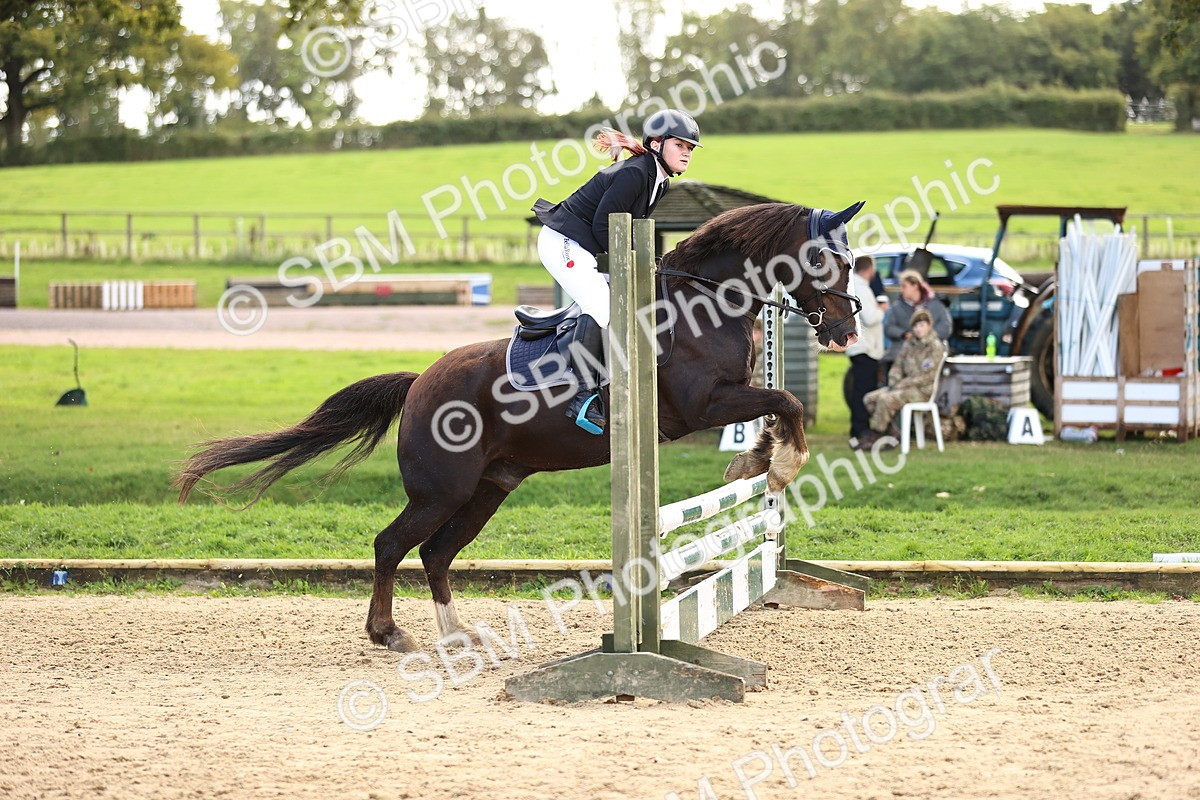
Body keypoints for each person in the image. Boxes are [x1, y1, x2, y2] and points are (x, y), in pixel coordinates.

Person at [531, 109, 701, 434]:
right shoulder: (636, 173)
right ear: (656, 143)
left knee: (628, 304)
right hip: (564, 241)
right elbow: (603, 225)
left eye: (690, 148)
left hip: (587, 245)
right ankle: (581, 396)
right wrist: (631, 265)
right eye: (680, 145)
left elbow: (624, 231)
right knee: (602, 306)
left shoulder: (658, 182)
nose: (686, 153)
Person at [862, 309, 947, 449]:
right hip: (902, 387)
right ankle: (891, 434)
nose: (918, 329)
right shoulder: (909, 344)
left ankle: (876, 435)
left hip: (922, 390)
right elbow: (898, 365)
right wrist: (894, 380)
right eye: (916, 326)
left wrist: (903, 384)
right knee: (870, 399)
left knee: (885, 400)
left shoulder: (935, 346)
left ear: (929, 326)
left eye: (922, 326)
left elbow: (928, 376)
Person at [845, 255, 886, 451]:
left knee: (859, 391)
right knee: (863, 393)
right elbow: (870, 317)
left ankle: (859, 430)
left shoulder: (855, 285)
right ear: (869, 269)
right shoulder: (861, 287)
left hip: (861, 348)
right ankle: (860, 431)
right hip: (865, 348)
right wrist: (882, 309)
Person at [881, 269, 951, 377]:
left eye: (904, 286)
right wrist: (904, 334)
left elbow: (946, 327)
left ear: (915, 286)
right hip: (903, 352)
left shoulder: (935, 305)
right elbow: (889, 327)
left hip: (930, 353)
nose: (901, 290)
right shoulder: (897, 307)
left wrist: (927, 336)